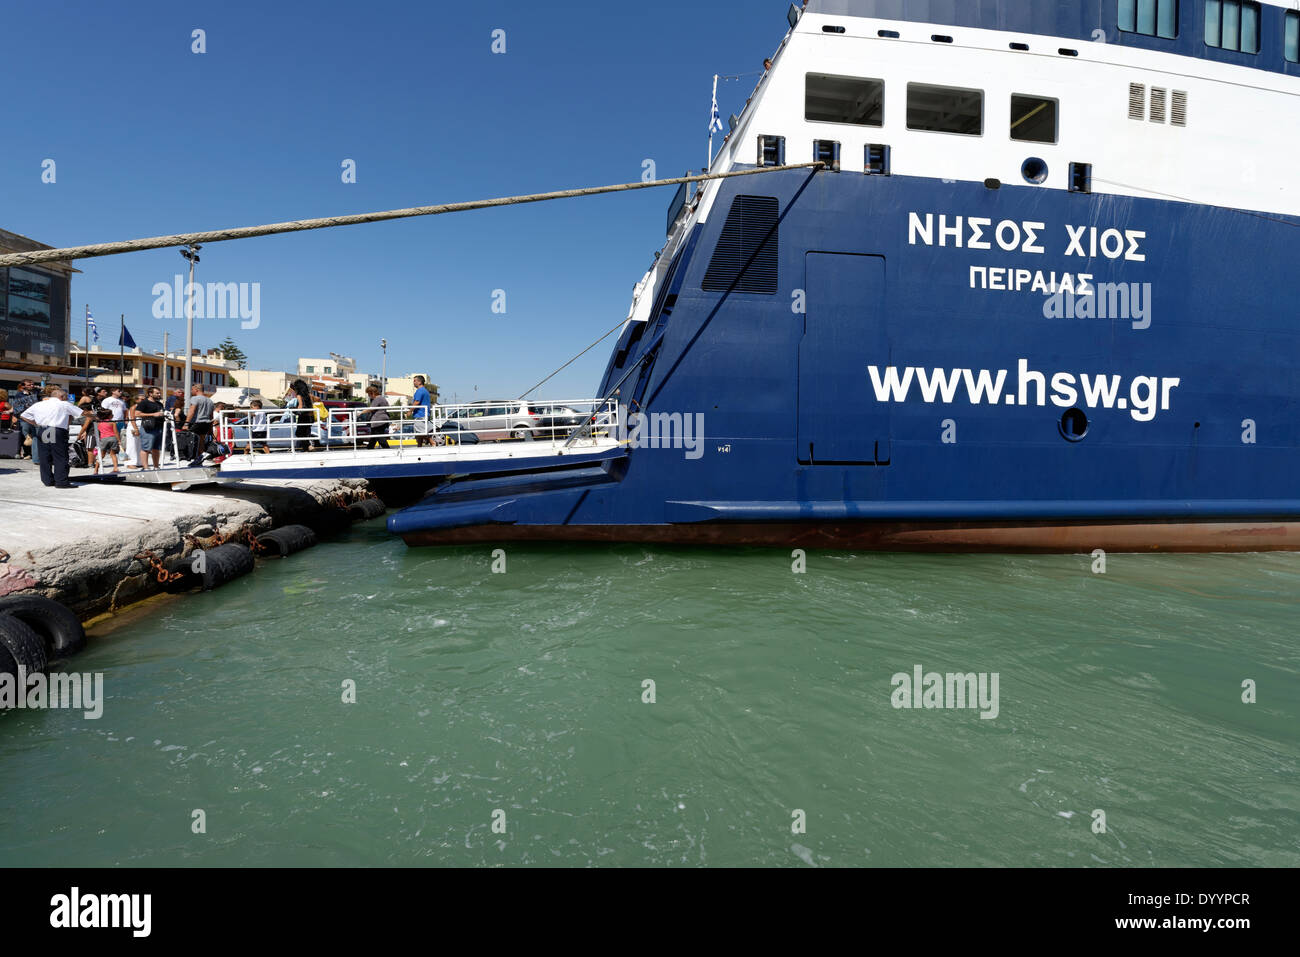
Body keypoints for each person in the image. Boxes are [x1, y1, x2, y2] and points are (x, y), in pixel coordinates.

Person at [18, 386, 91, 489]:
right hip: (56, 430)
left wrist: (36, 424)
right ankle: (61, 482)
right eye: (65, 397)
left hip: (44, 430)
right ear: (61, 396)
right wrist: (96, 416)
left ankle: (48, 480)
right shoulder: (64, 404)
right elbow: (82, 413)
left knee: (45, 456)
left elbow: (23, 415)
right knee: (60, 456)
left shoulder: (39, 404)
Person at [132, 386, 166, 469]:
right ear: (150, 394)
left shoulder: (159, 404)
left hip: (159, 427)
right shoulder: (144, 403)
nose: (159, 394)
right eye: (157, 393)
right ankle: (146, 467)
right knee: (146, 448)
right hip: (148, 428)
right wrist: (153, 414)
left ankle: (156, 466)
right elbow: (137, 414)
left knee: (156, 449)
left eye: (159, 393)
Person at [181, 384, 215, 462]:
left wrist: (186, 423)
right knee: (201, 442)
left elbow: (191, 411)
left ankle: (191, 458)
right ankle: (200, 458)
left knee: (189, 440)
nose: (191, 391)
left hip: (197, 423)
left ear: (196, 390)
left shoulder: (195, 398)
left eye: (192, 390)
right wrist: (210, 428)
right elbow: (211, 416)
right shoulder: (210, 400)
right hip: (206, 423)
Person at [11, 380, 40, 460]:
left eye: (33, 384)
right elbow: (16, 406)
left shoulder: (35, 392)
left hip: (34, 418)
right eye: (29, 384)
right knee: (25, 435)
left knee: (34, 436)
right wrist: (14, 416)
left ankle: (32, 454)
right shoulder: (19, 395)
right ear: (23, 386)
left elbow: (44, 390)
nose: (32, 385)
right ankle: (24, 453)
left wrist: (36, 387)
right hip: (23, 418)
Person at [285, 379, 315, 453]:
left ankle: (309, 446)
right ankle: (306, 450)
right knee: (305, 433)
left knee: (299, 433)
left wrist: (294, 409)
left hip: (303, 416)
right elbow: (312, 405)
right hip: (310, 416)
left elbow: (300, 407)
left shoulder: (299, 395)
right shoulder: (309, 395)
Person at [92, 407, 121, 474]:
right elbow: (116, 432)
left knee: (101, 455)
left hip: (103, 439)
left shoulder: (99, 423)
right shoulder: (112, 422)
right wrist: (119, 440)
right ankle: (115, 468)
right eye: (112, 414)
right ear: (108, 416)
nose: (113, 415)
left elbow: (97, 432)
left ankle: (96, 470)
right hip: (113, 438)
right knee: (113, 454)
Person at [363, 383, 391, 450]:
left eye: (369, 394)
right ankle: (370, 448)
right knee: (374, 436)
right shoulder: (382, 398)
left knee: (379, 436)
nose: (369, 396)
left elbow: (371, 409)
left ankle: (387, 449)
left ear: (372, 393)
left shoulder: (377, 399)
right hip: (382, 420)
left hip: (378, 421)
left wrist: (361, 413)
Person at [412, 375, 433, 447]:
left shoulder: (420, 391)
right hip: (424, 414)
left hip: (420, 415)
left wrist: (409, 410)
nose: (413, 382)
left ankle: (433, 443)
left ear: (419, 382)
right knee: (419, 433)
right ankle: (419, 446)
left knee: (422, 432)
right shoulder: (425, 391)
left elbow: (417, 402)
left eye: (415, 381)